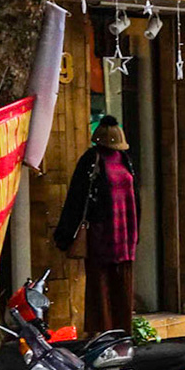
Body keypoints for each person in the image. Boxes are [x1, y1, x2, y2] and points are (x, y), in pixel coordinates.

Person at [54, 116, 139, 342]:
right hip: (102, 233)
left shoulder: (125, 159)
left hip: (125, 234)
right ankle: (102, 333)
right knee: (99, 284)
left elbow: (135, 196)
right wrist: (64, 234)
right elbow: (77, 197)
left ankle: (123, 333)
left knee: (123, 284)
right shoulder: (91, 160)